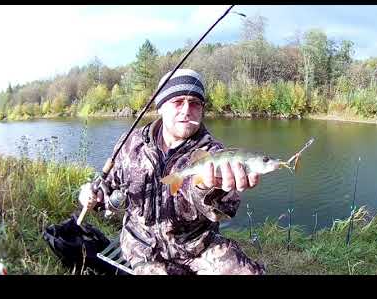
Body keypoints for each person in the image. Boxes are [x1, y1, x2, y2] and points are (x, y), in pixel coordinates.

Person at [79, 69, 265, 275]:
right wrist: (91, 195)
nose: (186, 110)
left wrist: (207, 188)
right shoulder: (131, 143)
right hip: (141, 245)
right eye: (178, 102)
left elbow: (224, 209)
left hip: (196, 246)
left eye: (195, 103)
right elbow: (107, 188)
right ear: (161, 106)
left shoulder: (212, 153)